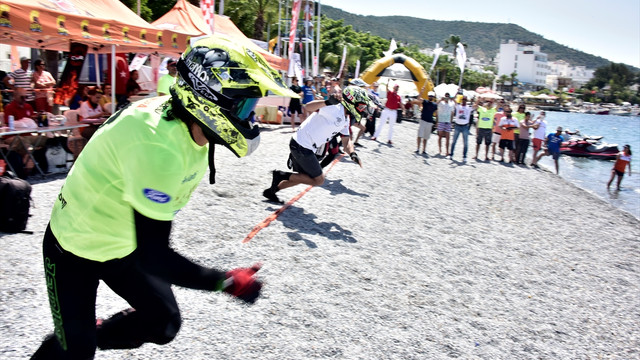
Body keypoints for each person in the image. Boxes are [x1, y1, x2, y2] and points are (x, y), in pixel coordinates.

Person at [30, 34, 298, 360]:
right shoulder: (160, 144)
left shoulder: (187, 128)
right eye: (244, 105)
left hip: (121, 245)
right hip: (73, 248)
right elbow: (154, 256)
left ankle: (79, 336)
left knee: (163, 323)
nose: (249, 116)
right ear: (208, 96)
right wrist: (225, 282)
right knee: (77, 353)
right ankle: (72, 343)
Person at [262, 86, 371, 204]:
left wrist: (353, 153)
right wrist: (327, 102)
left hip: (304, 145)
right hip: (301, 145)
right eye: (361, 106)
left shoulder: (346, 119)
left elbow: (346, 141)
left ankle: (271, 191)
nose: (363, 110)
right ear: (351, 102)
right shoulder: (334, 108)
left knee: (304, 177)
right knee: (319, 180)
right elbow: (308, 107)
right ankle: (280, 175)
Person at [449, 96, 472, 161]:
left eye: (465, 100)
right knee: (454, 141)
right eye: (463, 99)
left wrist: (478, 100)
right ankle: (451, 154)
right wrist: (455, 94)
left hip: (465, 126)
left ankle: (464, 156)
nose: (464, 101)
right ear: (461, 100)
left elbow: (475, 106)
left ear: (466, 100)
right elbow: (454, 100)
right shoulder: (458, 106)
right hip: (457, 126)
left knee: (465, 142)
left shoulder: (468, 108)